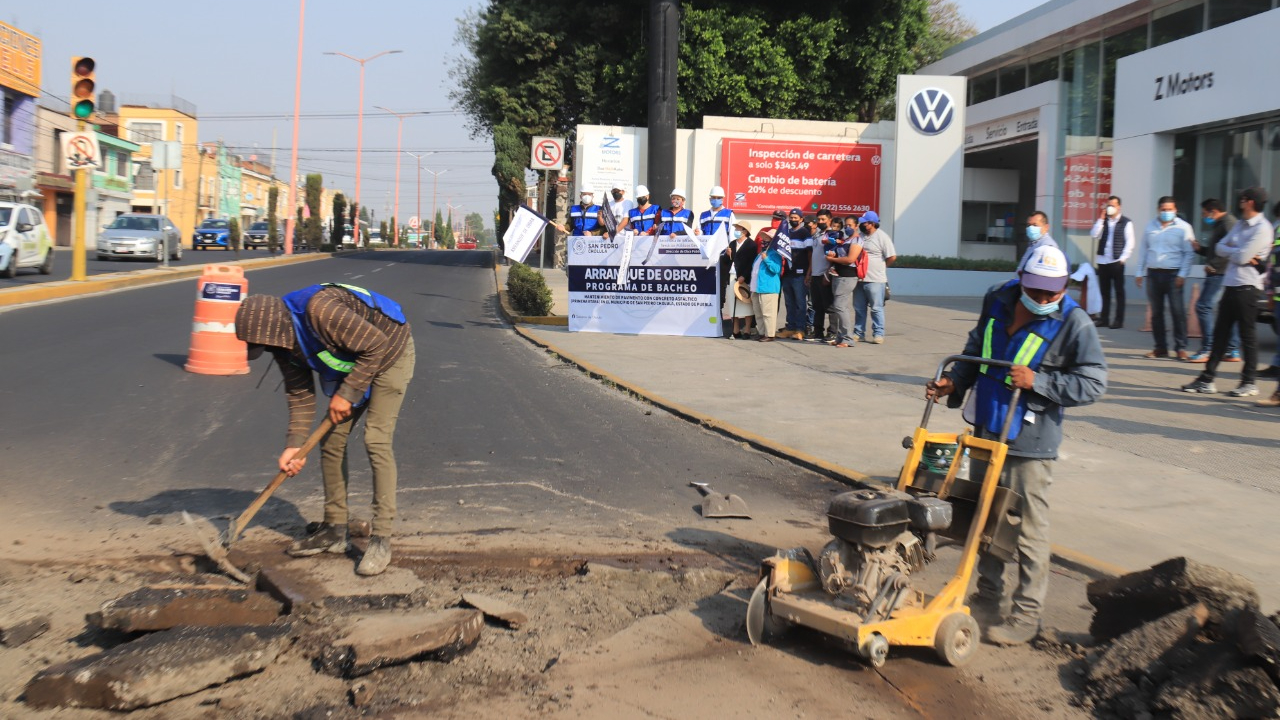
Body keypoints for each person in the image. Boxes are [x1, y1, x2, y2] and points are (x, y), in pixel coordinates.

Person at [925, 245, 1106, 645]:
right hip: (988, 426)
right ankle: (987, 597)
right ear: (1021, 277)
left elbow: (1094, 382)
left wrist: (1039, 382)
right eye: (1036, 289)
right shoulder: (997, 298)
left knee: (1027, 529)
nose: (1043, 299)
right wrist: (955, 380)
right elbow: (977, 349)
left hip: (1029, 440)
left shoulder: (1075, 322)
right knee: (985, 518)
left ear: (1064, 287)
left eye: (1052, 293)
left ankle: (1026, 616)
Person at [234, 283, 416, 577]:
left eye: (265, 344)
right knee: (330, 440)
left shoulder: (321, 311)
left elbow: (376, 345)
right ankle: (334, 530)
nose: (268, 351)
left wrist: (348, 392)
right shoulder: (284, 346)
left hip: (391, 352)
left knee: (376, 439)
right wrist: (294, 445)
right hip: (359, 358)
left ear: (275, 330)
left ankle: (381, 540)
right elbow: (300, 394)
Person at [1181, 187, 1274, 398]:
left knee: (1247, 336)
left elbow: (1239, 256)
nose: (1239, 201)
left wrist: (1239, 253)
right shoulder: (1240, 224)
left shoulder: (1262, 228)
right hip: (1231, 285)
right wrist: (1240, 253)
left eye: (1242, 198)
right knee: (1220, 335)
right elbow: (1221, 248)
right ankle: (1207, 379)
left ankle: (1249, 382)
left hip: (1248, 289)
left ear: (1249, 202)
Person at [1135, 196, 1195, 360]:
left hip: (1173, 275)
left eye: (1170, 209)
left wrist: (1183, 274)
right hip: (1153, 274)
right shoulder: (1150, 226)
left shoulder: (1184, 228)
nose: (1167, 212)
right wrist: (1139, 272)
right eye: (1164, 209)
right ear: (1158, 210)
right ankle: (1160, 347)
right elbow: (1143, 250)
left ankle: (1180, 347)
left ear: (1175, 210)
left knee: (1177, 312)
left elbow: (1188, 254)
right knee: (1156, 313)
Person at [1189, 199, 1240, 363]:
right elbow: (1216, 251)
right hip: (1219, 272)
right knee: (1227, 310)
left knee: (1203, 306)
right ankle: (1232, 350)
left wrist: (1213, 265)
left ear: (1213, 211)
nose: (1204, 217)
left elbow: (1234, 251)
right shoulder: (1221, 224)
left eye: (1204, 213)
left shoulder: (1228, 224)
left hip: (1219, 273)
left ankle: (1208, 348)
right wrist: (1200, 250)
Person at [851, 210, 896, 344]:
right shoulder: (860, 237)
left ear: (871, 224)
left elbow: (892, 257)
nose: (862, 225)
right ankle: (859, 333)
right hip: (859, 279)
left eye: (864, 223)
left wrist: (881, 268)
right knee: (859, 308)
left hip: (876, 280)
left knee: (876, 308)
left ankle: (878, 333)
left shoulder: (882, 237)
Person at [1089, 196, 1134, 329]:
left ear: (1119, 207)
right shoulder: (1103, 221)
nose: (1110, 207)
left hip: (1116, 261)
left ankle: (1119, 320)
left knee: (1119, 292)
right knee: (1105, 292)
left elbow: (1130, 242)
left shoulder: (1126, 222)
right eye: (1108, 205)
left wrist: (1123, 259)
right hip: (1103, 261)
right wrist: (1101, 219)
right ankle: (1104, 319)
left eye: (1113, 205)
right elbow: (1094, 234)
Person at [824, 221, 864, 348]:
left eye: (850, 225)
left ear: (856, 226)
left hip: (848, 276)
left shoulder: (857, 241)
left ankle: (848, 338)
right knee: (839, 307)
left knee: (840, 306)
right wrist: (833, 255)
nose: (847, 227)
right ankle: (840, 337)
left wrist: (832, 259)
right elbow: (841, 255)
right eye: (846, 225)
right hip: (838, 275)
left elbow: (850, 259)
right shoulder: (846, 240)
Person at [701, 186, 737, 326]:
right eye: (713, 198)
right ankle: (706, 313)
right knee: (707, 284)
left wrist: (730, 250)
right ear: (710, 198)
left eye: (718, 198)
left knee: (721, 286)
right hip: (707, 255)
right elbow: (701, 233)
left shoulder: (729, 214)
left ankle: (719, 313)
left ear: (722, 199)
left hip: (722, 255)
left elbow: (732, 233)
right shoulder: (703, 215)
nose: (715, 200)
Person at [778, 208, 812, 340]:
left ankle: (800, 329)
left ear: (801, 219)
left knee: (800, 303)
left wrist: (808, 273)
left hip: (800, 274)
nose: (793, 220)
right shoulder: (786, 233)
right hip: (787, 273)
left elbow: (810, 255)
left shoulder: (805, 233)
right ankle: (790, 327)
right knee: (789, 303)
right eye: (791, 218)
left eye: (795, 218)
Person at [807, 209, 840, 342]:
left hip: (825, 275)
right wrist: (809, 274)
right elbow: (813, 256)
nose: (820, 222)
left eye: (823, 220)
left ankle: (832, 332)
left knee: (829, 306)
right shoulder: (816, 235)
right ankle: (818, 332)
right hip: (815, 275)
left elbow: (836, 254)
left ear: (829, 220)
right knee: (817, 306)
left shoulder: (833, 235)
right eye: (819, 219)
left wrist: (829, 273)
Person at [724, 223, 757, 339]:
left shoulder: (751, 245)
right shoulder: (732, 243)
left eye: (738, 229)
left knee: (745, 302)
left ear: (745, 231)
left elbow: (751, 263)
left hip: (743, 278)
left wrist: (744, 275)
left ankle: (747, 329)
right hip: (731, 275)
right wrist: (728, 255)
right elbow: (727, 261)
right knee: (732, 303)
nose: (736, 230)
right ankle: (735, 329)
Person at [751, 236, 783, 342]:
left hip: (768, 288)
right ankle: (761, 332)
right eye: (763, 240)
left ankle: (770, 334)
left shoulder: (774, 254)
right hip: (756, 287)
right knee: (758, 313)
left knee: (768, 313)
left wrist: (766, 259)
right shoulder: (760, 253)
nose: (763, 241)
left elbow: (776, 269)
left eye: (766, 240)